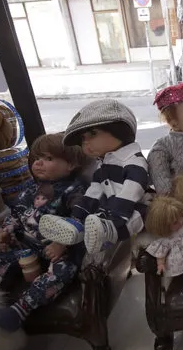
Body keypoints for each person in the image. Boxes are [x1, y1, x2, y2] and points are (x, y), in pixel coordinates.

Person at [0, 132, 88, 332]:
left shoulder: (75, 191)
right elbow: (16, 214)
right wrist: (5, 231)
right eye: (38, 158)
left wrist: (62, 243)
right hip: (28, 246)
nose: (38, 163)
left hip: (58, 251)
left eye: (48, 159)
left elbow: (80, 219)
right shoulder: (31, 190)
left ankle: (21, 308)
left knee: (63, 271)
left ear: (71, 164)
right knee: (1, 256)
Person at [39, 99, 151, 254]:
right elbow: (94, 191)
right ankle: (77, 227)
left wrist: (115, 216)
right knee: (94, 216)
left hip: (133, 207)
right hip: (110, 208)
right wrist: (79, 212)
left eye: (92, 134)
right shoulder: (103, 164)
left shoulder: (134, 161)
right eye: (83, 139)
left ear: (120, 130)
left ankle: (108, 233)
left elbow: (132, 191)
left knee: (137, 215)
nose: (86, 143)